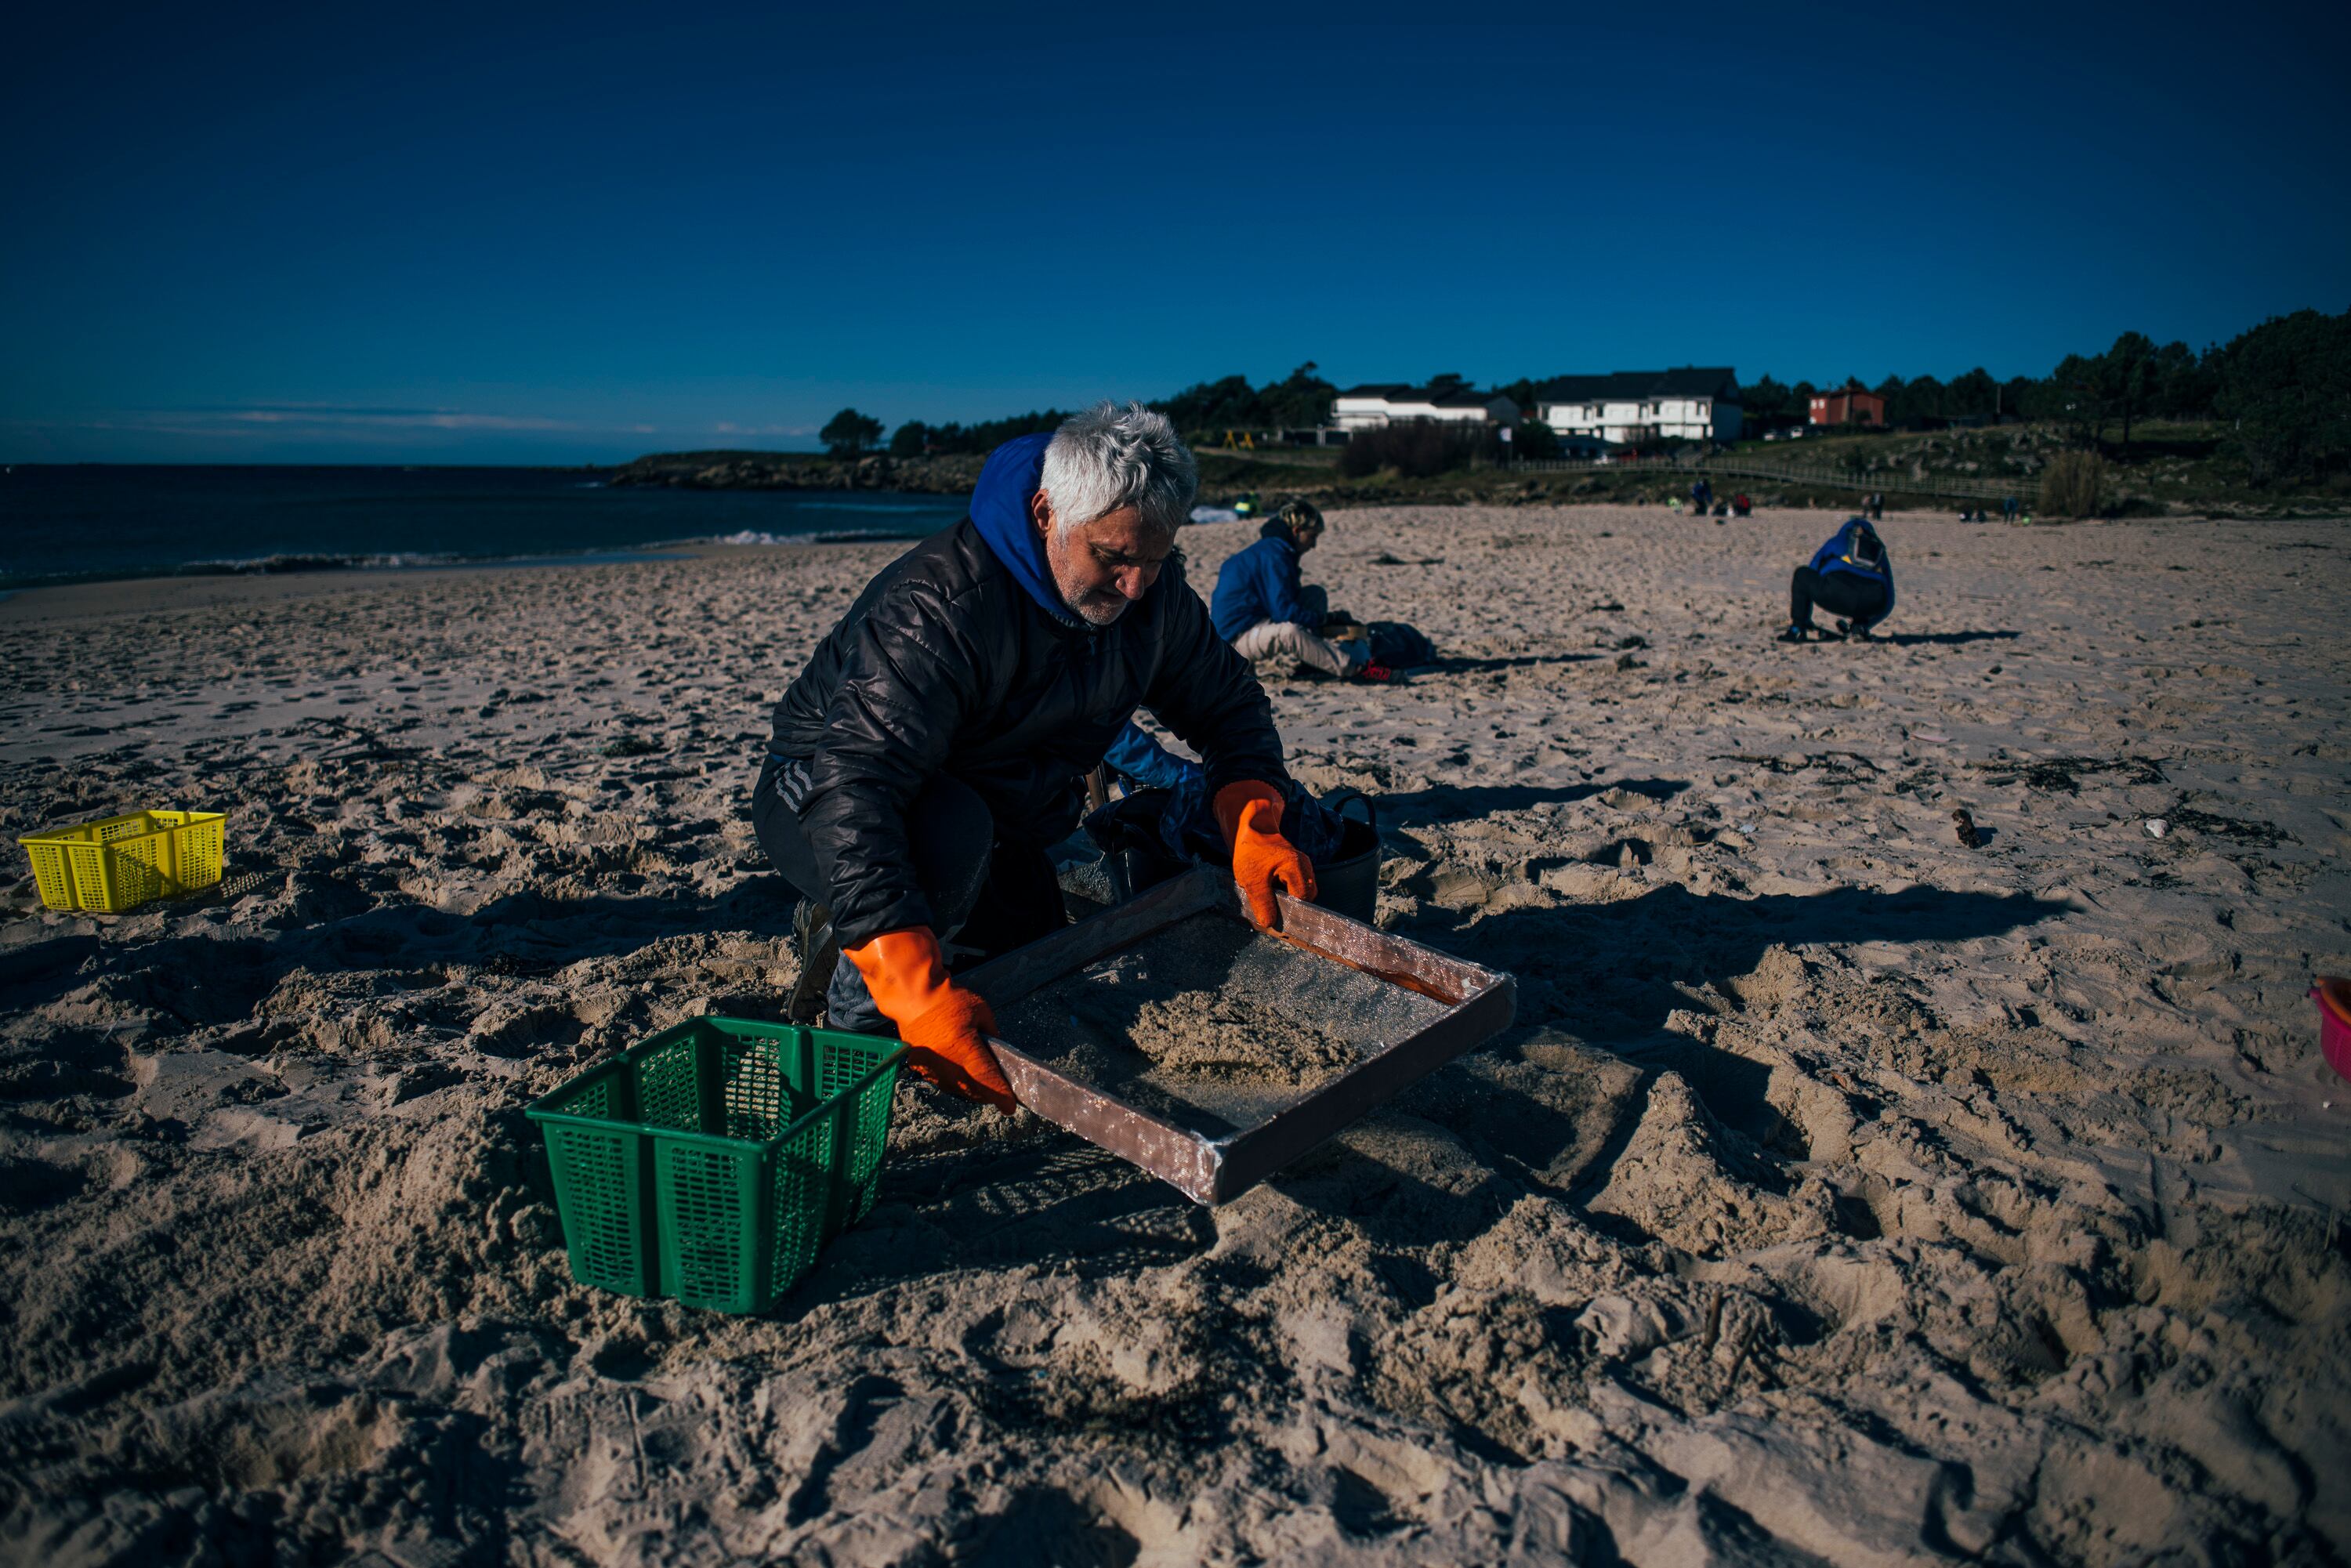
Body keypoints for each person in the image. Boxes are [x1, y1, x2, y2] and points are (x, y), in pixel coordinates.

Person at [755, 404, 1314, 1113]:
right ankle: (851, 1021)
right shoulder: (942, 604)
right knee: (942, 853)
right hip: (820, 791)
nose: (1136, 585)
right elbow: (857, 788)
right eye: (1114, 557)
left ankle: (876, 924)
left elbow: (1228, 704)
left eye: (1156, 557)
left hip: (997, 806)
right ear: (1048, 513)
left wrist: (1254, 818)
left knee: (1027, 967)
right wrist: (913, 991)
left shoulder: (1152, 595)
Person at [1209, 499, 1391, 683]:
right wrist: (1324, 620)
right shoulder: (1275, 556)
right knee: (1289, 632)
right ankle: (1354, 669)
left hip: (1251, 624)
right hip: (1233, 643)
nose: (1314, 545)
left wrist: (1321, 620)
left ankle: (1312, 663)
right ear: (1297, 531)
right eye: (1312, 536)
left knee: (1315, 595)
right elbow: (1283, 612)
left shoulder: (1271, 549)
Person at [1779, 516, 1894, 643]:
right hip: (1873, 603)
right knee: (1865, 588)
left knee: (1801, 574)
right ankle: (1859, 627)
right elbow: (1889, 600)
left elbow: (1813, 568)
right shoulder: (1880, 552)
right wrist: (1868, 623)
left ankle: (1797, 628)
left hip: (1835, 595)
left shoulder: (1837, 541)